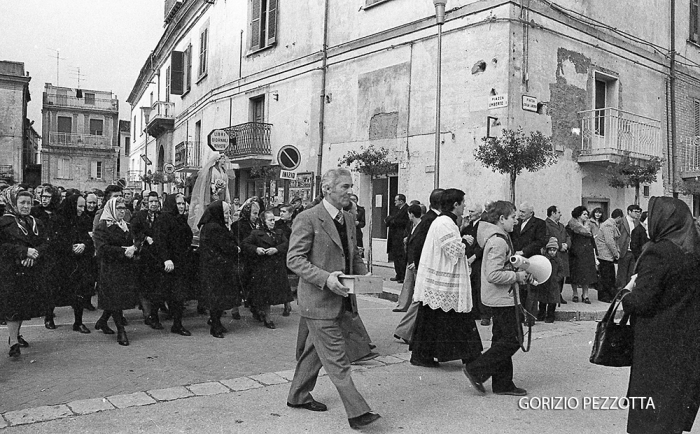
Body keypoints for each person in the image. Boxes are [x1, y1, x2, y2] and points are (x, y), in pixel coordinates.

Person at [286, 168, 381, 430]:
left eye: (351, 186)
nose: (351, 191)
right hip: (317, 301)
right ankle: (358, 412)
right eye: (345, 187)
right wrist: (326, 278)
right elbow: (294, 259)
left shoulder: (348, 219)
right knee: (338, 359)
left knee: (315, 351)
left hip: (342, 301)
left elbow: (353, 256)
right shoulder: (307, 218)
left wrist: (365, 276)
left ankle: (298, 396)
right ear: (327, 190)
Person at [621, 197, 700, 434]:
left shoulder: (659, 252)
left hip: (658, 346)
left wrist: (626, 294)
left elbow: (642, 302)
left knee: (649, 418)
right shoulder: (693, 251)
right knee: (671, 416)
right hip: (687, 343)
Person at [409, 188, 483, 368]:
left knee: (433, 320)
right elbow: (454, 250)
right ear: (455, 204)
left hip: (441, 281)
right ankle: (471, 358)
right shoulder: (444, 222)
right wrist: (466, 241)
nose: (465, 206)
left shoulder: (444, 221)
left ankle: (423, 356)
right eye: (463, 202)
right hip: (444, 282)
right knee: (456, 319)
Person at [463, 200, 529, 396]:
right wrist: (517, 276)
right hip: (503, 298)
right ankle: (477, 369)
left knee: (501, 339)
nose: (516, 221)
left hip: (501, 297)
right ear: (501, 219)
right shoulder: (499, 241)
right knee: (514, 339)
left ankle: (503, 384)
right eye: (513, 218)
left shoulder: (496, 237)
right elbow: (493, 275)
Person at [0, 187, 47, 357]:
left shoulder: (36, 222)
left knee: (22, 305)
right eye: (22, 203)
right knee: (12, 304)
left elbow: (44, 243)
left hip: (30, 269)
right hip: (10, 270)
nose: (26, 206)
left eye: (29, 203)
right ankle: (13, 342)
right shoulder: (4, 222)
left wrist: (34, 254)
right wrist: (23, 251)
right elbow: (3, 246)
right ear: (13, 203)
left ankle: (16, 335)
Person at [393, 189, 443, 343]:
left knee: (421, 299)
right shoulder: (431, 220)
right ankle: (406, 331)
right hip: (424, 264)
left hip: (421, 263)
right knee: (421, 300)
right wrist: (416, 262)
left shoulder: (430, 218)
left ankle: (406, 331)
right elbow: (421, 243)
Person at [93, 197, 140, 346]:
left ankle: (102, 321)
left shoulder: (126, 225)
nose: (122, 211)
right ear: (112, 209)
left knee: (116, 298)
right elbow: (102, 249)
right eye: (119, 208)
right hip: (110, 268)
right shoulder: (103, 226)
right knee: (115, 298)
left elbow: (135, 239)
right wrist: (122, 251)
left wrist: (135, 247)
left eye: (123, 208)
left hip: (125, 267)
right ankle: (121, 331)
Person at [242, 210, 294, 329]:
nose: (272, 222)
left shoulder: (279, 232)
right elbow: (245, 244)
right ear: (263, 221)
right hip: (263, 268)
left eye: (273, 220)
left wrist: (276, 249)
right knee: (266, 295)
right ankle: (267, 317)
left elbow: (287, 244)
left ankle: (267, 313)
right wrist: (257, 249)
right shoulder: (256, 233)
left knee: (275, 293)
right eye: (270, 220)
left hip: (276, 267)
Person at [198, 200, 241, 338]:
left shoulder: (212, 225)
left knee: (218, 297)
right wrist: (236, 248)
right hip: (216, 268)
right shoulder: (214, 227)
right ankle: (215, 325)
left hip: (217, 267)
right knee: (216, 298)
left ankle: (216, 322)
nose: (228, 215)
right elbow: (224, 245)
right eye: (227, 212)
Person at [55, 193, 95, 333]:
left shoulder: (84, 219)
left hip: (80, 260)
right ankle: (49, 317)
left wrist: (83, 244)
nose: (82, 209)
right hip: (63, 261)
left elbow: (90, 237)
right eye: (80, 206)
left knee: (79, 292)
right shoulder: (59, 219)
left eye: (84, 206)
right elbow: (55, 241)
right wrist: (70, 247)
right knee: (56, 291)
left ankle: (78, 322)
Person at [156, 193, 194, 336]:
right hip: (169, 263)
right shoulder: (164, 219)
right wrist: (166, 259)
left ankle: (177, 323)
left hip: (181, 262)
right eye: (178, 203)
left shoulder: (180, 219)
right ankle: (173, 323)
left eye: (183, 203)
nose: (181, 206)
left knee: (178, 295)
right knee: (171, 294)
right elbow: (161, 241)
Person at [31, 184, 63, 330]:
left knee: (52, 285)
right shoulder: (35, 211)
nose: (44, 199)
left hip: (55, 253)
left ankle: (49, 316)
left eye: (48, 197)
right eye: (42, 196)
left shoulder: (58, 212)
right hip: (39, 251)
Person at [131, 191, 164, 330]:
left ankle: (154, 316)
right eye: (151, 201)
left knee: (156, 288)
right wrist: (144, 238)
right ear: (146, 202)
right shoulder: (140, 216)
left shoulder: (162, 217)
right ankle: (147, 315)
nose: (154, 204)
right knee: (145, 288)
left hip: (158, 257)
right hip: (144, 258)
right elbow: (133, 232)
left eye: (156, 201)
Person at [511, 202, 547, 325]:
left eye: (523, 212)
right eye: (519, 211)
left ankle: (530, 318)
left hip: (531, 259)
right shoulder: (516, 223)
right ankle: (520, 316)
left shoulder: (539, 224)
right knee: (520, 289)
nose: (520, 214)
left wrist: (524, 251)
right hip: (517, 258)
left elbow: (540, 241)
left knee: (531, 289)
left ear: (531, 213)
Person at [392, 204, 423, 312]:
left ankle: (415, 307)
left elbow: (421, 245)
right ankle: (403, 305)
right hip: (410, 258)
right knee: (408, 282)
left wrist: (416, 261)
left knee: (417, 284)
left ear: (411, 214)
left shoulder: (421, 227)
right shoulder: (412, 226)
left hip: (416, 260)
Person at [462, 202, 488, 324]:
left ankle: (484, 314)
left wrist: (474, 256)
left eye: (472, 212)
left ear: (479, 213)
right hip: (468, 260)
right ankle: (474, 311)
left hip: (479, 260)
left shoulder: (483, 226)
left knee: (479, 286)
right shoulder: (468, 226)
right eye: (470, 211)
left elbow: (484, 244)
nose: (470, 214)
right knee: (471, 286)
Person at [566, 206, 598, 303]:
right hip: (575, 253)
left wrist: (595, 252)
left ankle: (585, 294)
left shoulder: (589, 226)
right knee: (575, 274)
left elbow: (592, 240)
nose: (586, 216)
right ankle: (575, 293)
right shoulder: (571, 226)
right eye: (584, 214)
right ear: (578, 215)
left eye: (587, 214)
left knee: (587, 275)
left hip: (587, 253)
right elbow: (568, 239)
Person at [545, 205, 571, 306]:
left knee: (562, 275)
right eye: (559, 212)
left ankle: (559, 294)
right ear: (553, 213)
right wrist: (559, 246)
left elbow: (567, 236)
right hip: (553, 254)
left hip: (563, 254)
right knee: (554, 275)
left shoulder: (561, 225)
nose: (560, 214)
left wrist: (567, 245)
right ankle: (553, 296)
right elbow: (547, 238)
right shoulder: (546, 224)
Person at [535, 238, 565, 323]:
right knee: (542, 301)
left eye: (554, 250)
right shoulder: (544, 259)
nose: (552, 252)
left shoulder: (559, 260)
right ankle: (541, 314)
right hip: (545, 282)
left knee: (552, 302)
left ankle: (550, 316)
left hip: (554, 284)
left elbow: (561, 271)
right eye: (550, 250)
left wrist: (557, 278)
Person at [595, 209, 622, 303]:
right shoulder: (609, 225)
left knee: (608, 276)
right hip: (605, 255)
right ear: (618, 217)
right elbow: (610, 241)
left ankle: (609, 296)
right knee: (607, 277)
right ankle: (605, 297)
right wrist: (616, 253)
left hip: (606, 255)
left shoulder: (610, 224)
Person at [385, 194, 409, 283]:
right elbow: (390, 218)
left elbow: (404, 222)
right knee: (396, 257)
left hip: (400, 237)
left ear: (401, 201)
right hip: (394, 237)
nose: (394, 202)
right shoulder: (396, 209)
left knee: (401, 257)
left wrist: (393, 221)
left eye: (396, 200)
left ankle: (402, 276)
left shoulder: (406, 209)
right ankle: (398, 274)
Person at [616, 204, 641, 288]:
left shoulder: (637, 222)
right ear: (629, 212)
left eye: (638, 212)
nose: (637, 214)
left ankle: (628, 291)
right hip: (624, 249)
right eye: (635, 212)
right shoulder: (622, 221)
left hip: (634, 251)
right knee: (622, 273)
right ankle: (620, 290)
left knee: (631, 273)